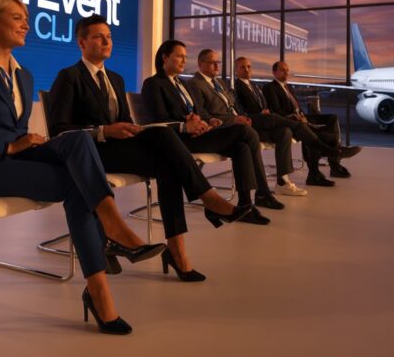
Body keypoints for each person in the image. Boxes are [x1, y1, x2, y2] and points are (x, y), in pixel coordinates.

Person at [0, 0, 163, 335]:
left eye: (26, 18)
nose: (26, 24)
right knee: (78, 183)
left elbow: (16, 131)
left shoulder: (24, 76)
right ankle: (106, 267)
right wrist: (9, 146)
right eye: (17, 17)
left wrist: (26, 142)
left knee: (77, 140)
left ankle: (105, 262)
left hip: (14, 159)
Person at [47, 15, 250, 282]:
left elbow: (124, 121)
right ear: (82, 43)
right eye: (98, 37)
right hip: (91, 153)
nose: (107, 41)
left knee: (167, 160)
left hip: (119, 148)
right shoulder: (69, 77)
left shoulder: (116, 79)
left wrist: (130, 129)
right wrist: (104, 131)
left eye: (109, 36)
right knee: (166, 146)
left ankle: (178, 251)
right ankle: (207, 199)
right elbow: (58, 131)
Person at [140, 40, 277, 225]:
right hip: (178, 140)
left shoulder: (182, 83)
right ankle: (263, 192)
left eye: (185, 57)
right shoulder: (153, 84)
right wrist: (185, 126)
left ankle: (246, 205)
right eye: (179, 56)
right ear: (165, 58)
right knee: (245, 131)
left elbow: (196, 112)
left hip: (198, 133)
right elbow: (157, 121)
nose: (183, 60)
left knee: (241, 147)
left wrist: (206, 121)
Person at [188, 49, 303, 198]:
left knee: (283, 132)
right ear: (200, 64)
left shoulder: (220, 82)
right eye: (212, 63)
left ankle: (275, 186)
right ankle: (262, 193)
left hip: (239, 122)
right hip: (222, 127)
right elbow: (203, 114)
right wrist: (234, 120)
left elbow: (235, 105)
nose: (216, 66)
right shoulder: (194, 83)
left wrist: (242, 116)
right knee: (253, 132)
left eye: (218, 62)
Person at [233, 56, 343, 195]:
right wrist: (263, 113)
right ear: (236, 70)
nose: (247, 69)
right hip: (253, 123)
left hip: (268, 121)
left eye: (249, 66)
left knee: (285, 132)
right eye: (243, 67)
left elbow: (264, 105)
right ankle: (327, 147)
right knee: (292, 124)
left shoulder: (254, 86)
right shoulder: (236, 87)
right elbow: (239, 110)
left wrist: (265, 110)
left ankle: (283, 182)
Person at [263, 61, 362, 184]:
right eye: (283, 70)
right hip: (290, 120)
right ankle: (331, 162)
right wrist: (295, 117)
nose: (286, 73)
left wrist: (302, 116)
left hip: (301, 117)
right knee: (317, 134)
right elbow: (276, 111)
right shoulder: (270, 88)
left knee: (331, 118)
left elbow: (296, 106)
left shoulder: (287, 87)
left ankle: (334, 161)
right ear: (274, 72)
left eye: (287, 70)